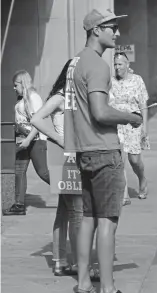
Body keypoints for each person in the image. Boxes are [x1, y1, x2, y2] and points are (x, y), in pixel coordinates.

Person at [64, 8, 144, 293]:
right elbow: (100, 112)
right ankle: (108, 292)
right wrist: (130, 117)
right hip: (104, 149)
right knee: (107, 221)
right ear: (96, 30)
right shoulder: (98, 65)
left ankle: (83, 286)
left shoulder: (76, 64)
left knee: (86, 220)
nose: (117, 33)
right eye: (112, 27)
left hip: (84, 151)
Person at [31, 60, 100, 279]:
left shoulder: (72, 95)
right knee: (78, 213)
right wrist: (61, 140)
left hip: (67, 160)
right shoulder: (61, 97)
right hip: (68, 160)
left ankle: (60, 261)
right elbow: (36, 118)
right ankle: (82, 265)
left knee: (64, 212)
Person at [3, 70, 50, 216]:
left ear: (23, 83)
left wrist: (29, 139)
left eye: (16, 84)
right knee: (19, 172)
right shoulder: (21, 99)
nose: (13, 87)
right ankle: (19, 205)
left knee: (43, 172)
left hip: (35, 141)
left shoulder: (33, 97)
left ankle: (72, 191)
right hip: (22, 141)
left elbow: (38, 122)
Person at [111, 52, 149, 205]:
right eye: (115, 64)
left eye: (120, 64)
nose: (117, 67)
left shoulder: (137, 80)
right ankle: (123, 194)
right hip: (117, 124)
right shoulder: (111, 82)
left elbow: (143, 105)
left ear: (127, 65)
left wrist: (145, 126)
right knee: (120, 160)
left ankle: (142, 178)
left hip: (134, 123)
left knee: (134, 160)